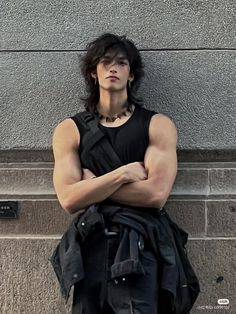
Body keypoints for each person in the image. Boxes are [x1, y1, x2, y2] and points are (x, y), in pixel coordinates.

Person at [51, 33, 195, 314]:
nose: (113, 68)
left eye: (121, 63)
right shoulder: (69, 130)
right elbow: (68, 198)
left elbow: (155, 195)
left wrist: (92, 187)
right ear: (93, 73)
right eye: (105, 62)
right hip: (90, 245)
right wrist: (122, 174)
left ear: (131, 74)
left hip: (138, 248)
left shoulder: (157, 125)